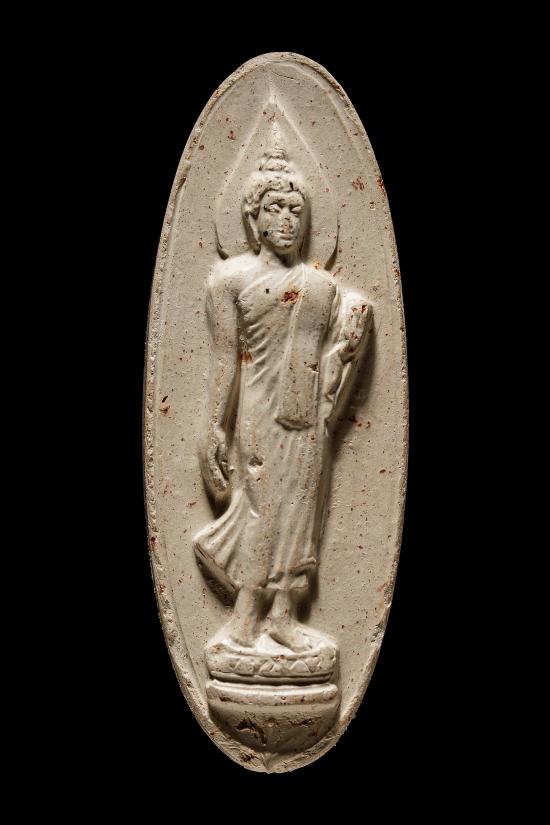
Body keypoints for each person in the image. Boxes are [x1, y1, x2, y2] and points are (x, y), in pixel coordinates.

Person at [194, 134, 371, 654]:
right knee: (264, 508)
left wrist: (348, 345)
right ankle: (243, 620)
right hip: (259, 413)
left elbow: (328, 365)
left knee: (302, 510)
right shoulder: (230, 281)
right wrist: (213, 426)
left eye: (297, 210)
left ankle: (283, 615)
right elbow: (225, 360)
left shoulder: (322, 287)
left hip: (307, 416)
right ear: (253, 219)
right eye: (275, 208)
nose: (288, 220)